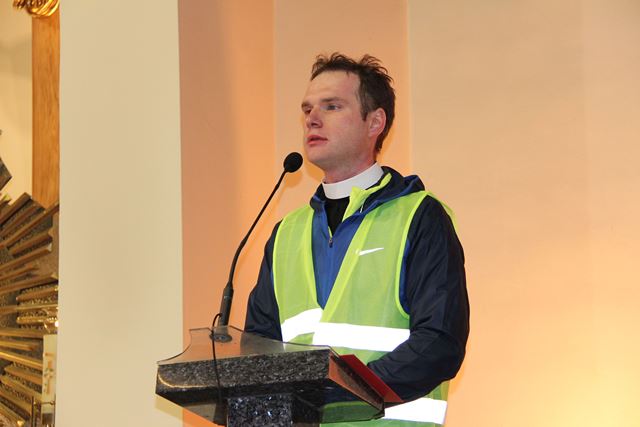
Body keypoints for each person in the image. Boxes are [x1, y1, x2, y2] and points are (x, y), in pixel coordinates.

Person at [245, 53, 469, 426]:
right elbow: (259, 352)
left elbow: (438, 343)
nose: (312, 119)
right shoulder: (286, 232)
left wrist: (337, 393)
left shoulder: (419, 216)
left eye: (332, 106)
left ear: (374, 122)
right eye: (307, 109)